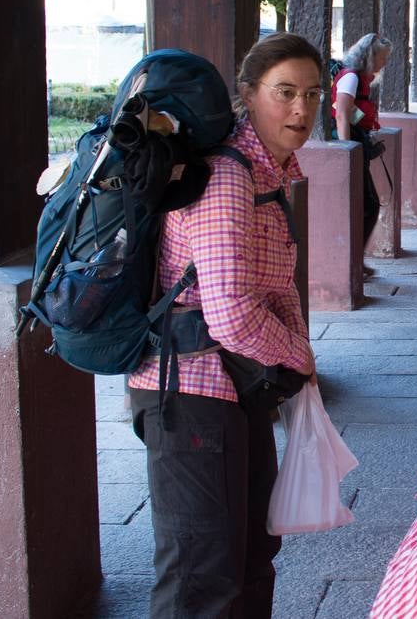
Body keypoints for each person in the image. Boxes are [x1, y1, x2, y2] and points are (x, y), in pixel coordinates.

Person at [128, 32, 320, 616]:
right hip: (189, 394)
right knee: (201, 578)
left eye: (312, 94)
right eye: (283, 92)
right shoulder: (228, 179)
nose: (301, 109)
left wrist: (295, 354)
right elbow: (233, 317)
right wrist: (300, 357)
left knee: (252, 555)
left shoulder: (270, 171)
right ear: (247, 94)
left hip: (236, 387)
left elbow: (273, 281)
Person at [333, 33, 392, 255]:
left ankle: (357, 258)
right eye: (382, 57)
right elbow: (341, 115)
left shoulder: (359, 79)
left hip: (357, 145)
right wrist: (347, 152)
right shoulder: (351, 78)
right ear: (370, 56)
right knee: (369, 205)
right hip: (352, 147)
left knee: (368, 205)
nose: (384, 62)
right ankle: (355, 258)